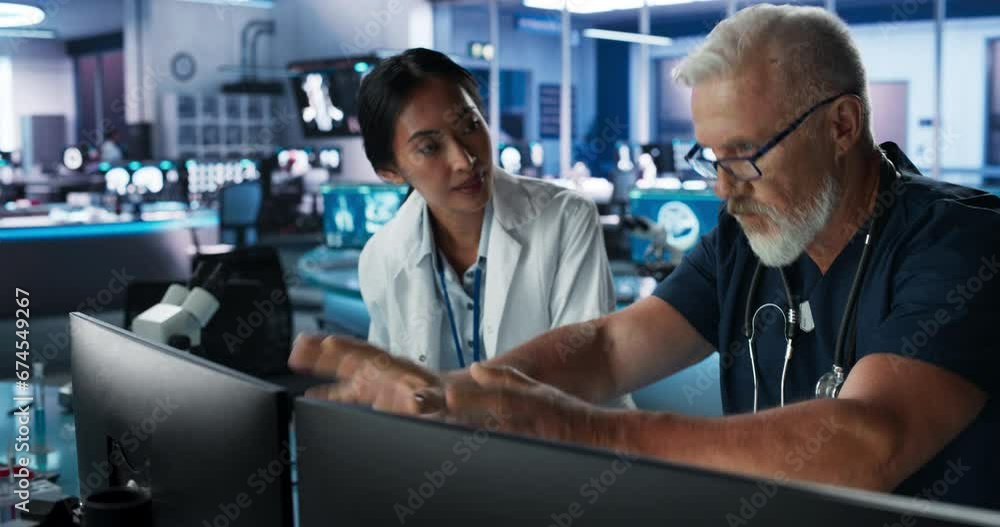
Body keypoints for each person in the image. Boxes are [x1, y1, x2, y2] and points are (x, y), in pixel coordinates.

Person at [289, 5, 999, 509]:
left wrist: (586, 428)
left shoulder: (958, 244)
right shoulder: (747, 238)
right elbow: (605, 346)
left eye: (745, 155)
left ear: (842, 125)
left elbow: (869, 440)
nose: (723, 186)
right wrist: (464, 392)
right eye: (710, 156)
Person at [351, 48, 631, 408]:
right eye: (430, 147)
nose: (464, 160)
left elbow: (583, 367)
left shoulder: (565, 218)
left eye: (469, 126)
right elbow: (397, 394)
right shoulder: (382, 255)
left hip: (561, 451)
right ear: (390, 171)